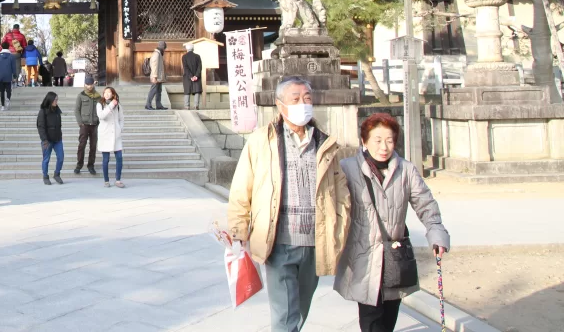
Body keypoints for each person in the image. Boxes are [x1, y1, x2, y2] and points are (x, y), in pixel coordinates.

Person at [228, 75, 351, 332]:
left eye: (307, 98)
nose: (302, 104)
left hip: (315, 240)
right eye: (295, 99)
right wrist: (239, 229)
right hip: (278, 240)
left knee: (300, 309)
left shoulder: (325, 143)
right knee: (285, 315)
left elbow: (341, 193)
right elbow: (242, 187)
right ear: (279, 105)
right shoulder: (262, 140)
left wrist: (340, 227)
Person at [335, 113, 450, 332]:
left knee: (388, 319)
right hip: (363, 258)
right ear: (364, 141)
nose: (384, 146)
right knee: (371, 320)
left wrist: (436, 233)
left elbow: (426, 204)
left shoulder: (406, 170)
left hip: (395, 258)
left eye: (389, 140)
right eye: (377, 140)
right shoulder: (347, 168)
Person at [97, 86, 125, 188]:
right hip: (105, 134)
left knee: (119, 158)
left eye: (109, 92)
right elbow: (101, 116)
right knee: (106, 159)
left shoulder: (118, 106)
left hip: (116, 134)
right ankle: (106, 180)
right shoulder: (100, 104)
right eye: (105, 92)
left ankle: (118, 180)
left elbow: (121, 118)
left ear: (113, 94)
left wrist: (120, 128)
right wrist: (110, 106)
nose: (107, 94)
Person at [73, 73, 100, 175]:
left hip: (94, 124)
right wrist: (80, 123)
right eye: (88, 84)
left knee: (93, 146)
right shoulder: (81, 96)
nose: (90, 86)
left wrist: (99, 121)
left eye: (91, 84)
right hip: (84, 125)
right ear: (85, 85)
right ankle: (79, 165)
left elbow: (101, 109)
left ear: (94, 84)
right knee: (82, 146)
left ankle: (91, 165)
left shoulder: (98, 96)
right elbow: (76, 110)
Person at [37, 91, 65, 185]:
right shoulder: (43, 111)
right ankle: (45, 176)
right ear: (50, 100)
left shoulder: (57, 110)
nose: (56, 101)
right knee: (46, 159)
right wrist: (44, 139)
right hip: (47, 140)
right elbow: (40, 126)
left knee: (61, 157)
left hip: (57, 139)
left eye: (57, 99)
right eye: (55, 99)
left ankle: (57, 174)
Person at [145, 40, 167, 110]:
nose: (164, 50)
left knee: (158, 91)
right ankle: (148, 104)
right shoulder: (156, 54)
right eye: (164, 48)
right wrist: (154, 76)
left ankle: (158, 104)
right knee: (153, 90)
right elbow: (154, 65)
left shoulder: (158, 53)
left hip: (158, 76)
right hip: (156, 76)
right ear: (163, 47)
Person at [0, 42, 17, 111]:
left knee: (2, 92)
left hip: (1, 76)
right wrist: (15, 75)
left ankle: (2, 106)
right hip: (8, 76)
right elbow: (14, 67)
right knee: (8, 90)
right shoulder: (12, 56)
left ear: (2, 47)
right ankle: (8, 99)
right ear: (8, 47)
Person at [182, 43, 203, 110]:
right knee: (197, 90)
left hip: (187, 76)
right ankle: (196, 105)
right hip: (197, 76)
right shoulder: (197, 56)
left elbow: (185, 68)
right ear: (193, 48)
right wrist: (196, 76)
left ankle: (187, 106)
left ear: (187, 49)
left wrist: (191, 76)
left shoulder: (184, 57)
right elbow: (200, 67)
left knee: (187, 90)